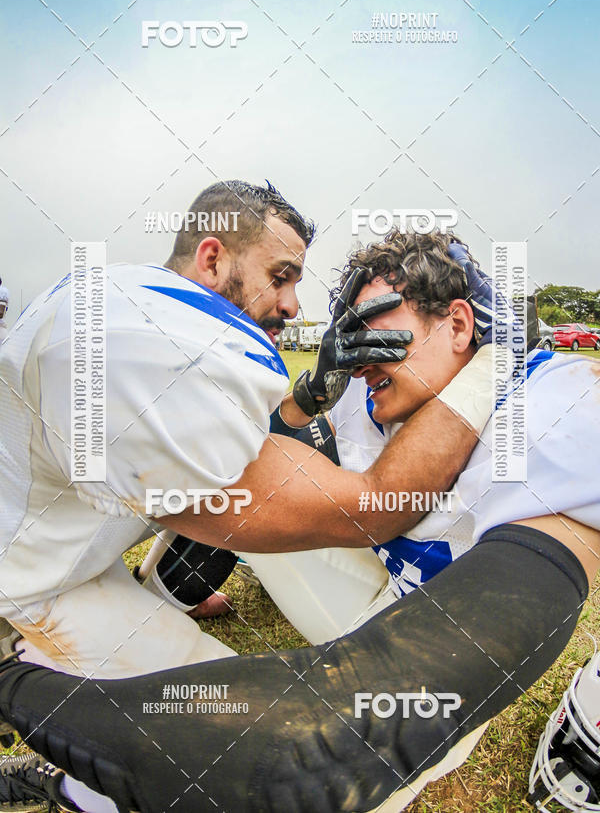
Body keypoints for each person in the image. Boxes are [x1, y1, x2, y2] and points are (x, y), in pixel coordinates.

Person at [1, 230, 598, 813]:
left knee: (334, 773)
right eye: (350, 330)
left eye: (379, 324)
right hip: (378, 583)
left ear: (461, 325)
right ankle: (161, 598)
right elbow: (251, 458)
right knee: (236, 485)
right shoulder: (369, 399)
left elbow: (312, 745)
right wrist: (311, 393)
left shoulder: (558, 412)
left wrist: (15, 689)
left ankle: (71, 790)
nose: (362, 354)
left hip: (437, 649)